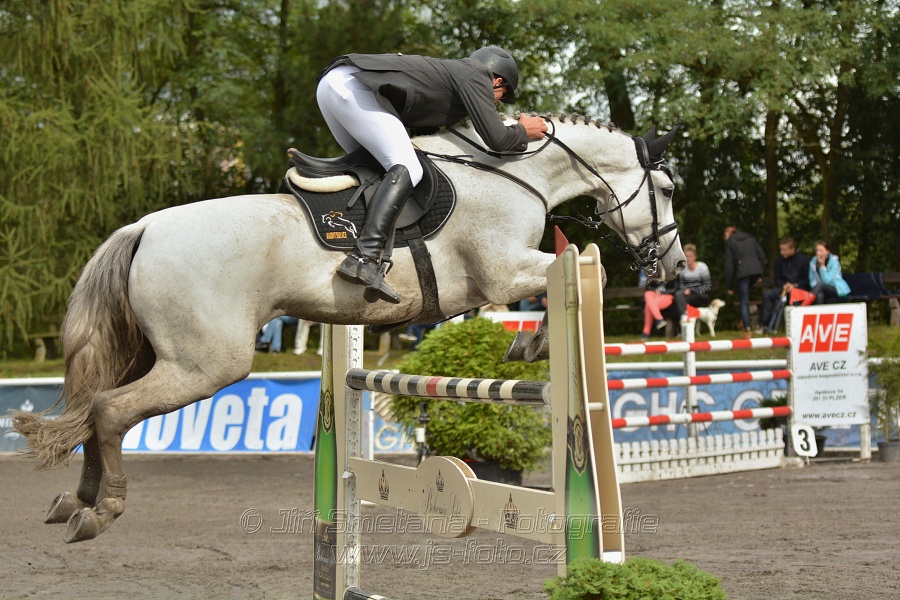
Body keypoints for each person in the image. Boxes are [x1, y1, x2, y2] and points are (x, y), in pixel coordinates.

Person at [316, 48, 548, 304]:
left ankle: (343, 239)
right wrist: (523, 130)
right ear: (497, 80)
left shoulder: (447, 84)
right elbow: (497, 139)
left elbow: (423, 140)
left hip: (334, 86)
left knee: (379, 171)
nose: (495, 103)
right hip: (353, 87)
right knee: (408, 167)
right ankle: (365, 257)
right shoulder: (476, 74)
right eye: (501, 97)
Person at [759, 237, 809, 334]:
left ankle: (797, 328)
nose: (782, 252)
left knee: (795, 298)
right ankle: (767, 325)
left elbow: (807, 280)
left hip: (799, 290)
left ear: (792, 249)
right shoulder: (779, 261)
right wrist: (784, 285)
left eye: (784, 250)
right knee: (768, 295)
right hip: (783, 289)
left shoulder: (804, 260)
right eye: (781, 250)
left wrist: (795, 285)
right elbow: (777, 278)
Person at [723, 226, 766, 338]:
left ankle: (747, 329)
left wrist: (729, 286)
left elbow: (729, 265)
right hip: (755, 272)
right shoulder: (751, 239)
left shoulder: (730, 242)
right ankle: (744, 318)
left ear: (728, 234)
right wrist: (760, 274)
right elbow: (761, 255)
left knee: (743, 300)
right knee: (744, 294)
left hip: (743, 273)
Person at [672, 244, 711, 317]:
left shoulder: (703, 267)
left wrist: (692, 290)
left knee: (681, 301)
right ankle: (685, 317)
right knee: (679, 295)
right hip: (686, 294)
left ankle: (685, 318)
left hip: (700, 294)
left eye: (691, 256)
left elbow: (707, 287)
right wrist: (685, 291)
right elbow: (681, 285)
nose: (688, 259)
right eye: (686, 256)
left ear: (695, 256)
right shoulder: (683, 269)